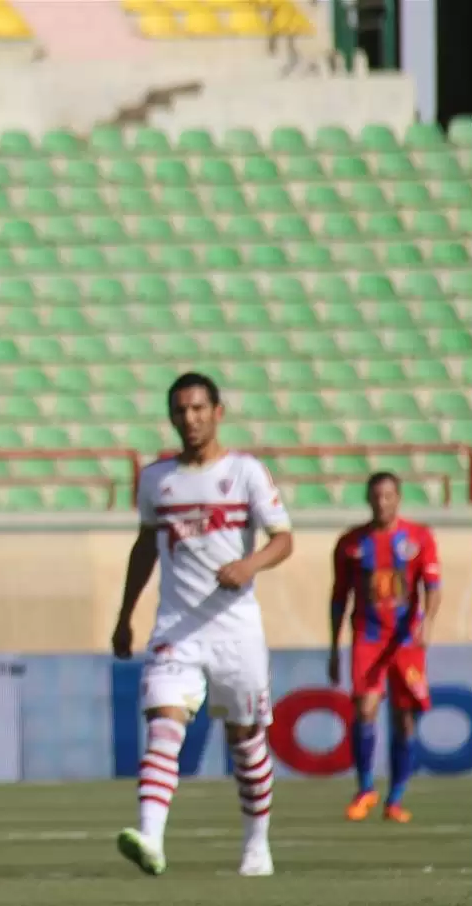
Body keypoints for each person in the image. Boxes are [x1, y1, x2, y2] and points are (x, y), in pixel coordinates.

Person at [111, 372, 293, 878]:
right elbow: (146, 546)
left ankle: (257, 843)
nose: (189, 419)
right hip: (177, 627)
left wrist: (248, 565)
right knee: (164, 724)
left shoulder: (246, 472)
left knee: (246, 739)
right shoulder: (156, 479)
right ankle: (150, 836)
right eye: (180, 410)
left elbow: (283, 538)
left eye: (197, 409)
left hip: (236, 630)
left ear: (217, 412)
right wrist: (126, 616)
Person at [329, 472, 441, 823]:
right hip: (368, 636)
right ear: (368, 498)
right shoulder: (351, 543)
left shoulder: (419, 537)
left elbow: (432, 586)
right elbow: (339, 597)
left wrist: (428, 623)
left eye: (388, 496)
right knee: (365, 709)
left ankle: (395, 798)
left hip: (406, 640)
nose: (382, 502)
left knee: (404, 720)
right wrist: (334, 646)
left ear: (399, 498)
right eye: (376, 496)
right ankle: (365, 788)